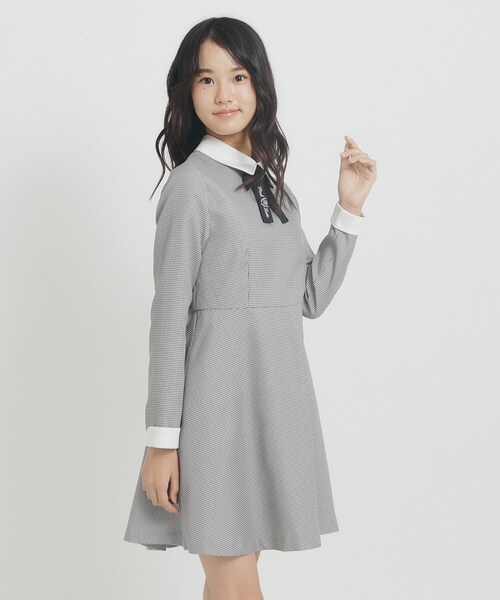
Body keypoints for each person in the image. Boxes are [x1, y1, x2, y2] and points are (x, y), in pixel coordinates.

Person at [123, 16, 377, 600]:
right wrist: (162, 441)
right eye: (206, 79)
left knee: (230, 581)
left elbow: (308, 297)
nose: (224, 94)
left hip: (274, 403)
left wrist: (348, 209)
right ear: (188, 92)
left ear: (259, 84)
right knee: (236, 580)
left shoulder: (272, 188)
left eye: (237, 76)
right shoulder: (190, 186)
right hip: (216, 412)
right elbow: (169, 319)